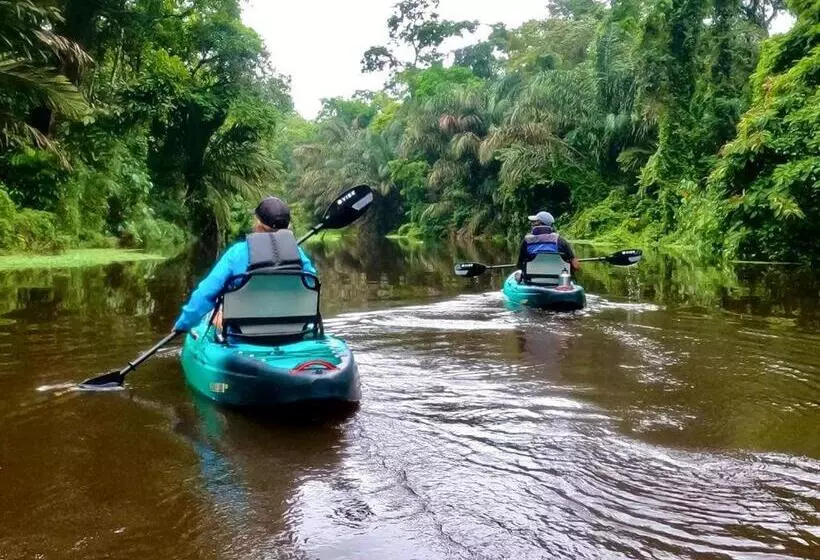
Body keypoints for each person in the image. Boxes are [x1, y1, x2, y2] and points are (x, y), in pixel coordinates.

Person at [173, 196, 316, 333]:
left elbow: (205, 294)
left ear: (258, 223)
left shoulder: (237, 253)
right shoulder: (298, 254)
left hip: (242, 335)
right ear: (288, 226)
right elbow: (311, 288)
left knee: (214, 314)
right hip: (293, 332)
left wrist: (184, 324)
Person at [515, 210, 579, 282]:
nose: (532, 224)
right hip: (559, 282)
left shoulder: (526, 241)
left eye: (535, 221)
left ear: (540, 223)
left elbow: (520, 265)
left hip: (532, 281)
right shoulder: (561, 241)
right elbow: (575, 265)